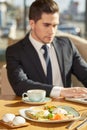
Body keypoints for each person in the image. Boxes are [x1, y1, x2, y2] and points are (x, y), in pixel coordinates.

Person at [6, 0, 87, 98]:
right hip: (32, 110)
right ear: (32, 24)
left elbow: (85, 74)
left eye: (55, 25)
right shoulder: (14, 51)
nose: (52, 31)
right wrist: (61, 91)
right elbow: (20, 85)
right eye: (46, 25)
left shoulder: (67, 45)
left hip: (67, 110)